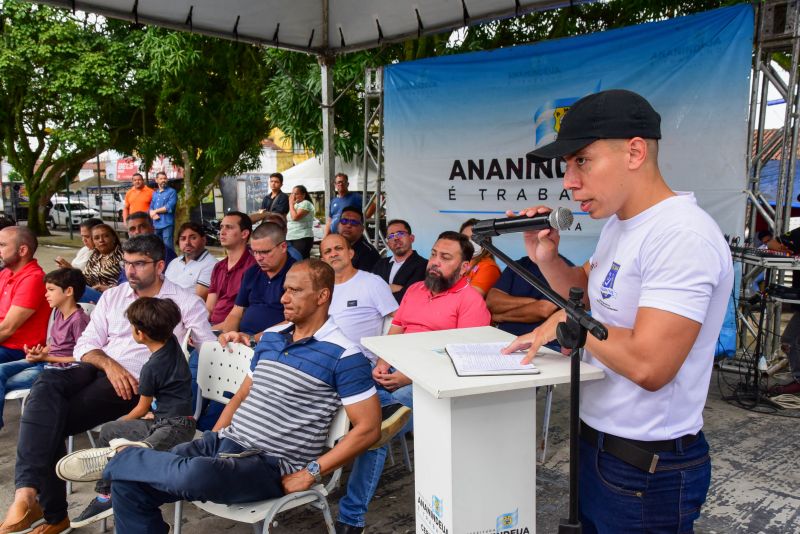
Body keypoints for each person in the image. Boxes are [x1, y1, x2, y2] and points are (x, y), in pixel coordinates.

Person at [502, 89, 734, 533]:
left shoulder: (681, 235)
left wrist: (570, 327)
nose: (569, 180)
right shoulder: (620, 225)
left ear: (634, 151)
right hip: (602, 449)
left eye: (582, 161)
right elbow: (586, 297)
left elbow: (649, 365)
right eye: (566, 166)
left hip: (646, 466)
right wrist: (547, 259)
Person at [56, 260, 381, 534]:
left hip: (270, 465)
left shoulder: (345, 355)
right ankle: (125, 462)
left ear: (322, 296)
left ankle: (119, 458)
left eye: (295, 290)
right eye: (285, 289)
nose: (284, 297)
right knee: (129, 484)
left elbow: (368, 428)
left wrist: (311, 472)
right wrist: (213, 436)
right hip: (226, 442)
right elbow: (242, 394)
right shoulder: (271, 339)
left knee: (194, 473)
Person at [0, 234, 216, 534]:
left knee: (46, 419)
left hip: (134, 385)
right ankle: (30, 495)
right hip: (95, 368)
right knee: (46, 385)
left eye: (139, 264)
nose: (130, 271)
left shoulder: (184, 301)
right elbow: (85, 344)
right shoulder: (114, 296)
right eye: (127, 263)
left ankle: (44, 507)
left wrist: (231, 338)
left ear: (160, 265)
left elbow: (209, 348)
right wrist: (109, 364)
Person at [336, 231, 491, 534]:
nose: (434, 262)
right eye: (433, 254)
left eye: (445, 258)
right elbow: (397, 327)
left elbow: (462, 360)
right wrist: (381, 361)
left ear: (464, 267)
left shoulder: (471, 301)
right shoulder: (416, 289)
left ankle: (351, 518)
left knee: (373, 426)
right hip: (392, 373)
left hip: (430, 388)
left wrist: (408, 376)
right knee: (333, 397)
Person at [61, 297, 196, 529]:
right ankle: (106, 496)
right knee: (111, 431)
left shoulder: (151, 368)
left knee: (138, 449)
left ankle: (120, 474)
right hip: (168, 420)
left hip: (175, 427)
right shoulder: (172, 340)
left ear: (140, 334)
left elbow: (141, 408)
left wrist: (124, 419)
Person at [0, 268, 89, 431]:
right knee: (1, 370)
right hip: (44, 362)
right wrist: (39, 352)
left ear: (69, 291)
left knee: (5, 380)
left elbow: (83, 357)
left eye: (51, 290)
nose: (46, 294)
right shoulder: (57, 313)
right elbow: (55, 345)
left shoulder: (79, 320)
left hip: (57, 371)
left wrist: (46, 358)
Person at [320, 234, 399, 364]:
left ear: (350, 253)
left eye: (338, 248)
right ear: (323, 260)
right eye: (328, 251)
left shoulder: (372, 283)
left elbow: (399, 320)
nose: (333, 254)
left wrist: (384, 360)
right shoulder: (320, 289)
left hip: (359, 361)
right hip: (324, 359)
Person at [220, 222, 294, 336]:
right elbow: (236, 313)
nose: (258, 258)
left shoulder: (297, 274)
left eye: (265, 252)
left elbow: (294, 321)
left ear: (283, 247)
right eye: (254, 252)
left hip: (275, 343)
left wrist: (254, 339)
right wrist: (228, 336)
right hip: (241, 340)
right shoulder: (251, 273)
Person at [486, 255, 573, 349]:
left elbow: (543, 310)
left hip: (545, 345)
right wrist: (533, 303)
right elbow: (492, 301)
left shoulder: (566, 270)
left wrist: (502, 316)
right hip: (503, 339)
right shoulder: (517, 265)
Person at [0, 227, 50, 366]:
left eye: (2, 245)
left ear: (22, 250)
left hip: (18, 350)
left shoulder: (33, 278)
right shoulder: (6, 272)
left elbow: (7, 329)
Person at [206, 211, 256, 329]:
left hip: (233, 331)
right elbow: (209, 307)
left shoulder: (254, 266)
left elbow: (245, 313)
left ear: (244, 234)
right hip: (211, 327)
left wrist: (208, 331)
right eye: (221, 227)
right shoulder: (218, 267)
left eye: (229, 227)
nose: (222, 232)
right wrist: (199, 327)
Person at [371, 219, 428, 304]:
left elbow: (412, 297)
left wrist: (382, 290)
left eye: (400, 233)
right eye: (391, 236)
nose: (396, 238)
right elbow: (370, 291)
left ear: (411, 238)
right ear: (388, 243)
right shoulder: (381, 264)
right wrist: (399, 288)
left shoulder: (424, 265)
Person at [119, 212, 178, 285]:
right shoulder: (128, 254)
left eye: (142, 227)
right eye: (132, 229)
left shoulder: (166, 253)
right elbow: (122, 280)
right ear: (128, 233)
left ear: (152, 228)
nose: (137, 232)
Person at [164, 222, 218, 300]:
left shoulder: (212, 264)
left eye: (193, 238)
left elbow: (198, 299)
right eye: (183, 239)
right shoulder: (174, 262)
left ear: (203, 240)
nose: (187, 243)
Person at [459, 218, 501, 297]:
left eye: (474, 238)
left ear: (486, 240)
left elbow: (469, 299)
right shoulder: (459, 264)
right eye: (464, 238)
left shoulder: (488, 267)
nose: (468, 242)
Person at [337, 206, 380, 272]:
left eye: (354, 222)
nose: (348, 225)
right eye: (344, 221)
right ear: (338, 225)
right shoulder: (332, 247)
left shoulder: (368, 254)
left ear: (362, 229)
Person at [83, 223, 123, 292]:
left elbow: (128, 284)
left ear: (114, 238)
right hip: (93, 297)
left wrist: (109, 288)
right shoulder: (94, 256)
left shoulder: (123, 256)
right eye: (96, 238)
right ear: (93, 242)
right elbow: (86, 280)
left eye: (106, 236)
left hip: (115, 296)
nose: (101, 240)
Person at [149, 172, 177, 252]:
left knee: (168, 247)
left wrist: (155, 211)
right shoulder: (155, 193)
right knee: (157, 246)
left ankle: (170, 262)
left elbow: (169, 206)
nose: (163, 180)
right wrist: (152, 213)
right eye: (161, 179)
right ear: (156, 180)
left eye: (165, 178)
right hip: (156, 224)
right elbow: (151, 206)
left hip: (167, 224)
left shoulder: (172, 192)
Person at [286, 185, 315, 259]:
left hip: (301, 237)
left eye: (296, 194)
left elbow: (295, 217)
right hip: (291, 236)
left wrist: (290, 204)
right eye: (292, 193)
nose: (293, 196)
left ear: (303, 195)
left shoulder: (306, 203)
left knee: (300, 260)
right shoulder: (295, 205)